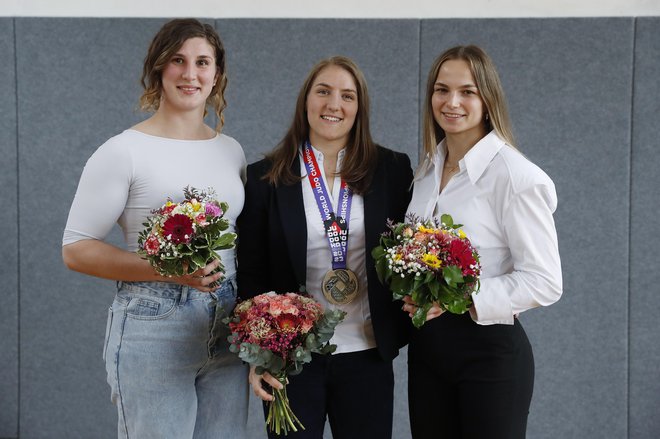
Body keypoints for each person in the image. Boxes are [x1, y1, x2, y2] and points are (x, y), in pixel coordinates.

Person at [62, 18, 248, 439]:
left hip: (225, 324)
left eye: (203, 62)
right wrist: (168, 271)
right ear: (158, 69)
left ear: (216, 75)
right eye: (178, 61)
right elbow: (75, 249)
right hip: (154, 324)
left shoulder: (230, 150)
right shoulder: (123, 151)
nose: (190, 73)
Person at [236, 55, 413, 439]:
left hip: (368, 355)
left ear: (359, 108)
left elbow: (407, 252)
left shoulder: (392, 170)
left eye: (347, 96)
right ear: (305, 101)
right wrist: (257, 354)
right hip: (290, 360)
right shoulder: (263, 178)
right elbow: (250, 273)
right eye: (323, 92)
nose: (334, 104)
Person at [403, 45, 562, 439]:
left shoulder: (515, 176)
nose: (451, 102)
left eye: (467, 91)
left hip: (489, 353)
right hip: (428, 353)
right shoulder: (427, 169)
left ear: (487, 99)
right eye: (441, 90)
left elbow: (544, 281)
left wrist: (459, 297)